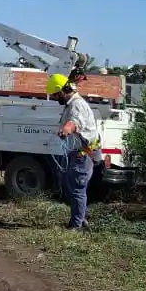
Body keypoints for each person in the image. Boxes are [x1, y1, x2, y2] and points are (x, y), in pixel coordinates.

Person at [46, 73, 100, 231]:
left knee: (77, 189)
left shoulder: (76, 105)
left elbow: (75, 122)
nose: (56, 99)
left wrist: (67, 129)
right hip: (77, 152)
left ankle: (76, 226)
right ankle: (79, 219)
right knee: (71, 186)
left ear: (61, 91)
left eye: (56, 96)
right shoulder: (72, 103)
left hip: (82, 153)